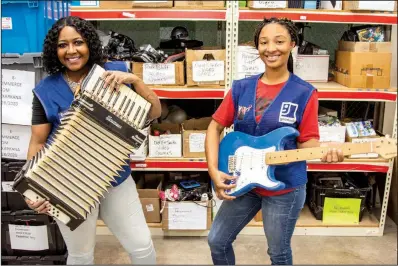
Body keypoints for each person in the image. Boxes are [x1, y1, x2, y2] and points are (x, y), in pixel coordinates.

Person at [205, 17, 344, 265]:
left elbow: (308, 141)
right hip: (244, 182)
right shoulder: (241, 88)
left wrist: (327, 152)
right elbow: (214, 127)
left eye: (279, 41)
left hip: (285, 189)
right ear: (257, 48)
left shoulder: (305, 92)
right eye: (264, 42)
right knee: (217, 240)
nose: (271, 48)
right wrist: (214, 171)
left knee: (278, 253)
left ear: (292, 44)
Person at [24, 16, 161, 265]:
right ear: (54, 51)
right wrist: (32, 191)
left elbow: (154, 113)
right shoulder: (45, 90)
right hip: (67, 185)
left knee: (141, 246)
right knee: (80, 254)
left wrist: (137, 82)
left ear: (90, 44)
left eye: (78, 42)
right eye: (62, 45)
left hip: (115, 179)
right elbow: (38, 142)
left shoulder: (116, 73)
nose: (71, 51)